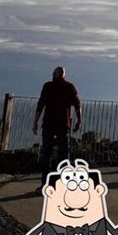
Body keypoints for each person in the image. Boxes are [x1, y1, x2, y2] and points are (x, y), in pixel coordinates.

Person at [33, 66, 82, 194]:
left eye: (53, 73)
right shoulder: (70, 87)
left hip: (48, 124)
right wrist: (78, 121)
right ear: (64, 75)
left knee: (47, 154)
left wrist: (35, 122)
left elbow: (41, 104)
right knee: (63, 155)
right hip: (63, 124)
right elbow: (77, 105)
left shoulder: (47, 86)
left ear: (55, 74)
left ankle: (45, 184)